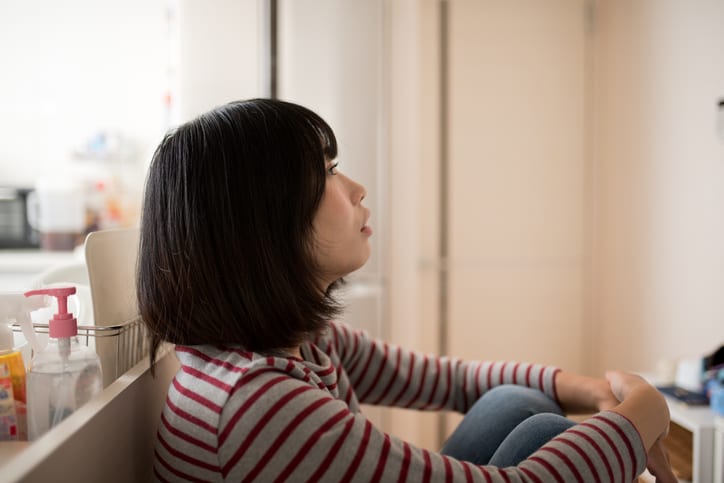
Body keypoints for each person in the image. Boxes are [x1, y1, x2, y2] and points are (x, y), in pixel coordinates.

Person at [137, 98, 675, 482]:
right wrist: (642, 415)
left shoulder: (291, 346)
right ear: (261, 226)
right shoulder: (260, 406)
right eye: (327, 172)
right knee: (546, 438)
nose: (356, 188)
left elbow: (448, 381)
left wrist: (593, 392)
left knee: (514, 403)